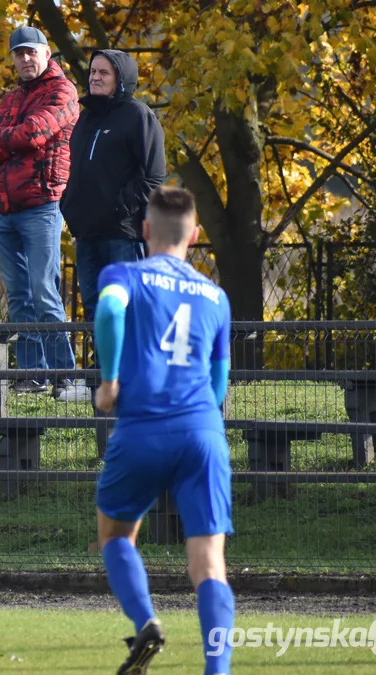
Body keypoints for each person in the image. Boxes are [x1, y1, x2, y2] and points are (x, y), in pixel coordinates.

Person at [92, 186, 234, 675]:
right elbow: (219, 381)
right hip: (202, 430)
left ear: (146, 231)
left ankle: (146, 620)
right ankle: (218, 671)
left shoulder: (124, 275)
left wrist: (109, 380)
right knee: (209, 563)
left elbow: (110, 310)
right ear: (195, 236)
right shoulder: (216, 296)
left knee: (115, 534)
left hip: (143, 427)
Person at [0, 25, 84, 400]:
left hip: (41, 205)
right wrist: (10, 139)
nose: (24, 59)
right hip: (4, 210)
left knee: (44, 292)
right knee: (19, 296)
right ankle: (34, 375)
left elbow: (35, 134)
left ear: (46, 53)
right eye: (18, 53)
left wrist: (3, 139)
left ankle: (65, 376)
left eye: (30, 52)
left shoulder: (63, 91)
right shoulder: (9, 100)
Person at [60, 49, 166, 396]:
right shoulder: (85, 119)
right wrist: (69, 207)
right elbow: (76, 170)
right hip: (86, 233)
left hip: (123, 233)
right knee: (94, 309)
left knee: (124, 307)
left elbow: (153, 177)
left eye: (104, 72)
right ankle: (103, 379)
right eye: (92, 71)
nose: (95, 77)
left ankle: (132, 379)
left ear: (122, 78)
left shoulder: (138, 116)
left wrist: (120, 208)